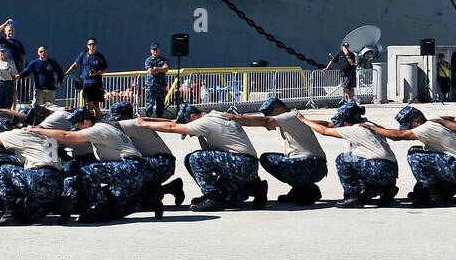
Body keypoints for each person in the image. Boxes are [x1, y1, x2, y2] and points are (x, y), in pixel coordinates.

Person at [33, 106, 158, 222]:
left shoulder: (96, 129)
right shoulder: (104, 126)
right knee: (113, 209)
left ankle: (100, 206)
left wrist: (39, 131)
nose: (76, 130)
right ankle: (148, 198)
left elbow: (66, 136)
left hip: (131, 167)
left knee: (88, 171)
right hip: (134, 169)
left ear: (86, 122)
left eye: (77, 127)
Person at [137, 104, 265, 211]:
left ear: (192, 117)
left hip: (240, 163)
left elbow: (172, 127)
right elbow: (173, 122)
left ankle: (212, 198)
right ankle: (254, 188)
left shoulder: (206, 122)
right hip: (248, 166)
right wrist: (147, 119)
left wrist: (144, 124)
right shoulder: (217, 116)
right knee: (228, 197)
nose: (190, 135)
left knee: (194, 158)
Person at [362, 106, 456, 207]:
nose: (409, 130)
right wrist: (374, 125)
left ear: (417, 121)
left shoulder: (426, 128)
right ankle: (438, 190)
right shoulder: (431, 118)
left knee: (414, 156)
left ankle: (436, 198)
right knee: (415, 150)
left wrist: (372, 128)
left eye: (409, 126)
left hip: (455, 168)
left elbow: (397, 135)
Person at [226, 96, 327, 204]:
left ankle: (308, 191)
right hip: (310, 164)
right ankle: (299, 189)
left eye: (270, 113)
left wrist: (235, 117)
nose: (268, 116)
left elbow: (266, 121)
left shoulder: (289, 117)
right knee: (271, 158)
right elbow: (261, 123)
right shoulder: (290, 119)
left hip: (312, 165)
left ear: (279, 109)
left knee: (268, 160)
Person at [300, 100, 398, 207]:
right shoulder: (369, 124)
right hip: (390, 172)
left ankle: (353, 197)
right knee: (363, 191)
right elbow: (329, 124)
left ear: (346, 123)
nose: (339, 126)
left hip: (377, 169)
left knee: (343, 159)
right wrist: (306, 121)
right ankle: (387, 190)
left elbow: (324, 131)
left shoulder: (354, 129)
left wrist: (303, 120)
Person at [65, 37, 108, 114]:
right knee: (88, 102)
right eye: (90, 44)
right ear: (87, 45)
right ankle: (99, 115)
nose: (92, 46)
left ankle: (97, 117)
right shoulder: (84, 54)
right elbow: (75, 64)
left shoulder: (99, 56)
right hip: (86, 83)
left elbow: (105, 69)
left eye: (93, 44)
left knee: (95, 103)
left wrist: (97, 73)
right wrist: (66, 73)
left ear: (96, 45)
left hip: (96, 83)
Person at [143, 42, 170, 117]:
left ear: (159, 50)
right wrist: (161, 69)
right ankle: (148, 118)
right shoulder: (148, 60)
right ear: (151, 51)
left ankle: (159, 118)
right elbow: (151, 71)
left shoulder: (163, 59)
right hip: (151, 85)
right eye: (153, 50)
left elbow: (166, 69)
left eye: (157, 49)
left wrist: (157, 68)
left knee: (160, 104)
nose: (155, 51)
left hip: (161, 85)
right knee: (149, 103)